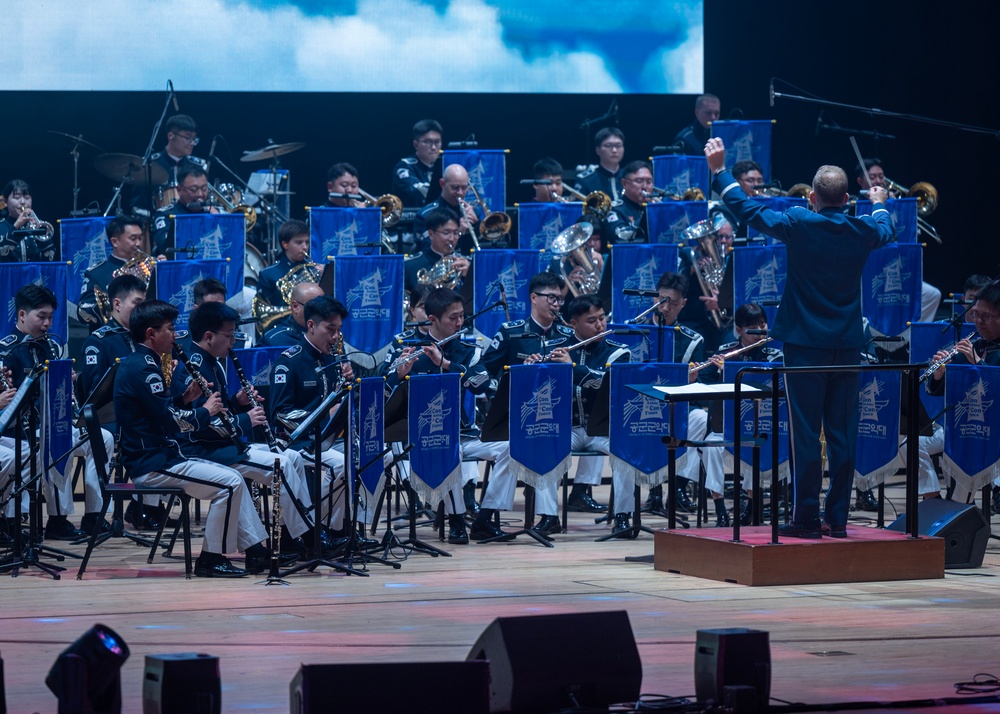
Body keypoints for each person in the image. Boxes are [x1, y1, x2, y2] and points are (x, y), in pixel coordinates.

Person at [706, 136, 895, 538]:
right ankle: (838, 520)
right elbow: (886, 227)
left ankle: (806, 518)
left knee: (806, 434)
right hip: (847, 345)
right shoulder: (862, 228)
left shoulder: (799, 222)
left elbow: (746, 208)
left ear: (812, 197)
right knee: (843, 434)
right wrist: (879, 200)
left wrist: (720, 170)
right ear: (847, 198)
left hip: (805, 346)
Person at [114, 299, 278, 577]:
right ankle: (211, 558)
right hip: (151, 462)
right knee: (229, 483)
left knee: (232, 478)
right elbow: (171, 421)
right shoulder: (143, 368)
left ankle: (255, 550)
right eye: (169, 329)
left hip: (161, 455)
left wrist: (184, 398)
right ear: (151, 334)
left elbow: (159, 413)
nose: (175, 335)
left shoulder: (145, 362)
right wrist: (205, 411)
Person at [170, 301, 325, 558]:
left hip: (223, 445)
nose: (233, 342)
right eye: (229, 336)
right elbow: (198, 425)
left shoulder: (213, 361)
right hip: (204, 450)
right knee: (283, 465)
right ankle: (311, 536)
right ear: (208, 337)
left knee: (293, 458)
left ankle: (288, 536)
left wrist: (236, 403)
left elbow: (217, 411)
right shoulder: (194, 367)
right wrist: (246, 420)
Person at [382, 288, 507, 544]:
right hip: (414, 432)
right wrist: (399, 374)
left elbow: (483, 385)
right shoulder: (405, 346)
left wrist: (446, 364)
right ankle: (457, 519)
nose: (460, 322)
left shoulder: (467, 349)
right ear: (433, 319)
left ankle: (484, 518)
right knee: (450, 450)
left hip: (460, 429)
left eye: (462, 316)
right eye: (453, 317)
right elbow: (381, 391)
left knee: (511, 448)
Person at [0, 285, 115, 540]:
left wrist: (67, 381)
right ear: (22, 315)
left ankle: (94, 515)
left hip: (54, 421)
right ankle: (57, 520)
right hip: (21, 429)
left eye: (51, 317)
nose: (47, 324)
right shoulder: (7, 350)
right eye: (41, 317)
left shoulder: (51, 345)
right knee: (56, 442)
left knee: (103, 438)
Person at [472, 273, 573, 540]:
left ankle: (547, 517)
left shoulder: (567, 335)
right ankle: (539, 516)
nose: (556, 305)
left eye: (560, 299)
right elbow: (482, 372)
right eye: (551, 298)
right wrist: (514, 379)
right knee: (523, 443)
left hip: (555, 415)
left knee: (545, 436)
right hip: (514, 416)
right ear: (534, 298)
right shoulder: (511, 332)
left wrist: (570, 365)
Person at [615, 271, 704, 529]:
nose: (665, 307)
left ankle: (677, 487)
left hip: (674, 409)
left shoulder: (691, 339)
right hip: (636, 408)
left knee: (700, 418)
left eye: (672, 302)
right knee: (620, 438)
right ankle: (623, 514)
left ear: (683, 303)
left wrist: (693, 379)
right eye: (661, 300)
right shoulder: (631, 331)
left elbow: (702, 382)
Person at [689, 303, 782, 527]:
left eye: (762, 324)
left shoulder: (774, 355)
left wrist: (729, 372)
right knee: (711, 447)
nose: (759, 330)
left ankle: (751, 507)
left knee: (756, 445)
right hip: (727, 425)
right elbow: (705, 385)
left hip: (759, 424)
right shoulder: (726, 352)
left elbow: (768, 385)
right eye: (752, 327)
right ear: (739, 330)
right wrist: (694, 377)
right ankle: (720, 510)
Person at [268, 296, 354, 535]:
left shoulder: (332, 359)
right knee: (342, 465)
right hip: (298, 442)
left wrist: (348, 386)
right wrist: (326, 416)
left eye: (339, 330)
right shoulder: (289, 362)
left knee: (373, 456)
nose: (336, 337)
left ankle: (340, 527)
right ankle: (322, 529)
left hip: (328, 439)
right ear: (311, 325)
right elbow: (281, 414)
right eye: (331, 329)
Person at [927, 281, 1000, 509]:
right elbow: (936, 390)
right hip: (969, 431)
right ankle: (947, 509)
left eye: (986, 317)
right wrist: (938, 373)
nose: (978, 321)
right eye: (975, 314)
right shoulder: (975, 345)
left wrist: (978, 363)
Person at [554, 295, 630, 515]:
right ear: (573, 323)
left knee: (626, 452)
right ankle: (547, 515)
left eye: (602, 318)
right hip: (567, 428)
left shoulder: (619, 352)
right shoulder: (556, 348)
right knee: (547, 448)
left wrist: (572, 368)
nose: (600, 325)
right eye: (591, 321)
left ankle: (623, 515)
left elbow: (606, 382)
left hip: (601, 431)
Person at [854, 157, 941, 323]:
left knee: (932, 295)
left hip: (896, 271)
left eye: (881, 176)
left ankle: (910, 333)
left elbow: (910, 234)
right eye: (872, 177)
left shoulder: (894, 202)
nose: (878, 180)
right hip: (867, 272)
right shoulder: (854, 205)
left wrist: (898, 208)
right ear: (860, 181)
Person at [77, 215, 149, 329]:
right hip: (110, 335)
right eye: (133, 238)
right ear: (115, 242)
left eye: (140, 238)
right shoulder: (96, 273)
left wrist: (162, 270)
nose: (138, 243)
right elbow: (83, 312)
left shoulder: (148, 267)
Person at [130, 114, 207, 214]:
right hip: (157, 221)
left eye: (194, 139)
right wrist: (154, 217)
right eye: (188, 138)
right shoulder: (150, 164)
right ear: (171, 136)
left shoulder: (198, 166)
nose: (192, 143)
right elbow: (138, 206)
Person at [150, 163, 219, 258]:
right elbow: (166, 248)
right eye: (194, 189)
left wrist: (219, 220)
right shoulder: (165, 215)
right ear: (179, 190)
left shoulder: (213, 213)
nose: (200, 194)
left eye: (204, 189)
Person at [413, 164, 480, 253]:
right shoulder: (425, 215)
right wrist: (458, 233)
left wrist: (477, 226)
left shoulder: (473, 212)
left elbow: (481, 246)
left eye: (464, 188)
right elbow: (427, 250)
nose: (460, 193)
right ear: (442, 183)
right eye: (455, 187)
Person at [403, 209, 471, 295]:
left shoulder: (466, 264)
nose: (451, 239)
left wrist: (469, 277)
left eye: (455, 233)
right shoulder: (409, 265)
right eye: (446, 233)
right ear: (431, 234)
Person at [256, 220, 315, 311]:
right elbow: (265, 308)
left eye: (307, 242)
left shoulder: (313, 269)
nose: (305, 247)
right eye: (299, 242)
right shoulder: (268, 274)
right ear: (285, 244)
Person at [597, 160, 652, 247]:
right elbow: (619, 237)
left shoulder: (653, 207)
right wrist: (648, 213)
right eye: (639, 181)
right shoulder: (613, 209)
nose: (645, 186)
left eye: (649, 182)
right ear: (624, 183)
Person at [0, 179, 56, 262]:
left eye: (27, 198)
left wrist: (41, 233)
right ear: (5, 202)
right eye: (17, 198)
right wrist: (16, 227)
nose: (23, 202)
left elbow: (50, 258)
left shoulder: (36, 227)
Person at [390, 119, 442, 208]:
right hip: (412, 215)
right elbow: (415, 189)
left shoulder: (445, 165)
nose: (433, 147)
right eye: (428, 142)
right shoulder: (404, 166)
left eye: (437, 142)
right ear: (415, 145)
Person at [261, 282, 325, 347]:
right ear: (295, 307)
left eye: (324, 306)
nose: (322, 312)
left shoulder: (328, 333)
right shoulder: (272, 341)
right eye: (314, 307)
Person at [575, 127, 625, 202]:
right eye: (608, 145)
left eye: (618, 145)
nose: (614, 150)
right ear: (597, 150)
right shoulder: (585, 180)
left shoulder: (630, 178)